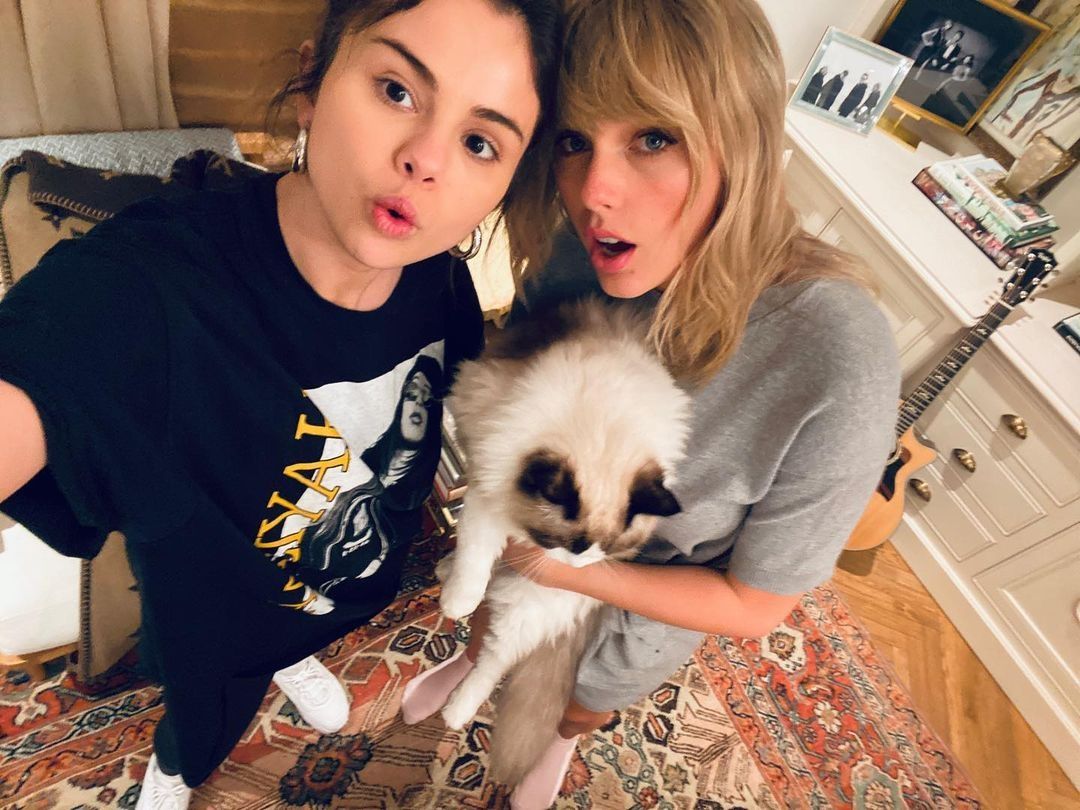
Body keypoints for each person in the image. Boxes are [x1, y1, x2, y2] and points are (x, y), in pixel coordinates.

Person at [0, 0, 562, 808]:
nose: (425, 160)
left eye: (481, 142)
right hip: (216, 621)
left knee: (304, 621)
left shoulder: (443, 282)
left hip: (342, 584)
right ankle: (173, 772)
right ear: (311, 83)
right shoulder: (149, 288)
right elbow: (44, 367)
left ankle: (295, 653)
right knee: (204, 721)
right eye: (398, 90)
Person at [399, 1, 899, 808]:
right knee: (490, 624)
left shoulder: (837, 356)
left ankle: (563, 738)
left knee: (587, 695)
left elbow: (755, 605)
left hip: (645, 610)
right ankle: (470, 665)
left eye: (654, 138)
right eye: (574, 141)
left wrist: (567, 571)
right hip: (533, 537)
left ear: (740, 137)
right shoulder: (578, 253)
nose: (594, 193)